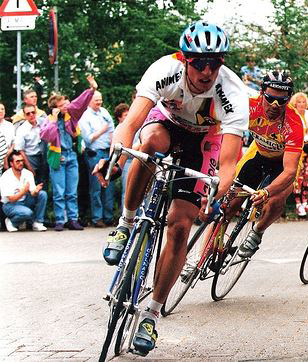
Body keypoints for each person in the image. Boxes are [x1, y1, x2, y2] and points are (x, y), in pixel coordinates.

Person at [95, 22, 248, 356]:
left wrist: (216, 191)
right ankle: (126, 223)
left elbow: (227, 162)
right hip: (165, 125)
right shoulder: (166, 70)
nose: (207, 70)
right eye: (199, 62)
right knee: (148, 142)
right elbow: (131, 123)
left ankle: (151, 314)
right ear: (185, 59)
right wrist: (115, 157)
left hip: (206, 140)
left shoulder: (232, 92)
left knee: (180, 226)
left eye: (215, 62)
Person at [216, 71, 304, 258]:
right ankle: (207, 251)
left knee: (275, 200)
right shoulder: (249, 107)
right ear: (262, 92)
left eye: (281, 101)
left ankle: (257, 232)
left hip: (283, 163)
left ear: (288, 100)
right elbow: (222, 133)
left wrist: (267, 191)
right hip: (258, 153)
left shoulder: (294, 122)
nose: (274, 105)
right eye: (270, 98)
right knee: (229, 202)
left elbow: (289, 171)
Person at [40, 76, 97, 231]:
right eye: (62, 104)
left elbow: (79, 103)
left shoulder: (71, 116)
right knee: (59, 192)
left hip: (71, 156)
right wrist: (53, 119)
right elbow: (46, 136)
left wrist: (92, 90)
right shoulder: (49, 120)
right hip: (58, 158)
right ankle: (60, 220)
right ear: (55, 107)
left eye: (66, 103)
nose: (66, 106)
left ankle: (72, 219)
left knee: (72, 191)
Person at [79, 91, 116, 227]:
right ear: (89, 101)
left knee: (109, 185)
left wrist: (113, 150)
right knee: (96, 187)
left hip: (108, 153)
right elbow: (87, 139)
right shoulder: (85, 117)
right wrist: (102, 130)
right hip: (94, 154)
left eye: (100, 100)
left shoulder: (104, 112)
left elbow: (112, 129)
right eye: (96, 100)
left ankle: (109, 217)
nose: (99, 102)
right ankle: (97, 218)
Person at [0, 150, 47, 232]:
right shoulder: (6, 177)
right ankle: (12, 222)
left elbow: (32, 192)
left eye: (22, 161)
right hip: (10, 205)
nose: (21, 163)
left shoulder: (28, 173)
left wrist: (35, 191)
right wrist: (24, 191)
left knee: (42, 194)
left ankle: (38, 222)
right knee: (27, 213)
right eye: (17, 161)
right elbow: (11, 199)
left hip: (25, 201)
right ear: (11, 163)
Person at [289, 92, 308, 216]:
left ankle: (305, 203)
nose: (302, 104)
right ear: (294, 104)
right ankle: (298, 204)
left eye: (303, 102)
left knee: (307, 175)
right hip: (297, 147)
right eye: (299, 102)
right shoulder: (292, 115)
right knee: (298, 176)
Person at [14, 104, 49, 188]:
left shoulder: (43, 122)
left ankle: (44, 198)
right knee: (33, 181)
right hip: (30, 156)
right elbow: (20, 150)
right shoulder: (22, 129)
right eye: (28, 113)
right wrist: (29, 166)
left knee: (45, 179)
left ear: (36, 113)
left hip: (44, 154)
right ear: (25, 116)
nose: (31, 115)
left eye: (33, 112)